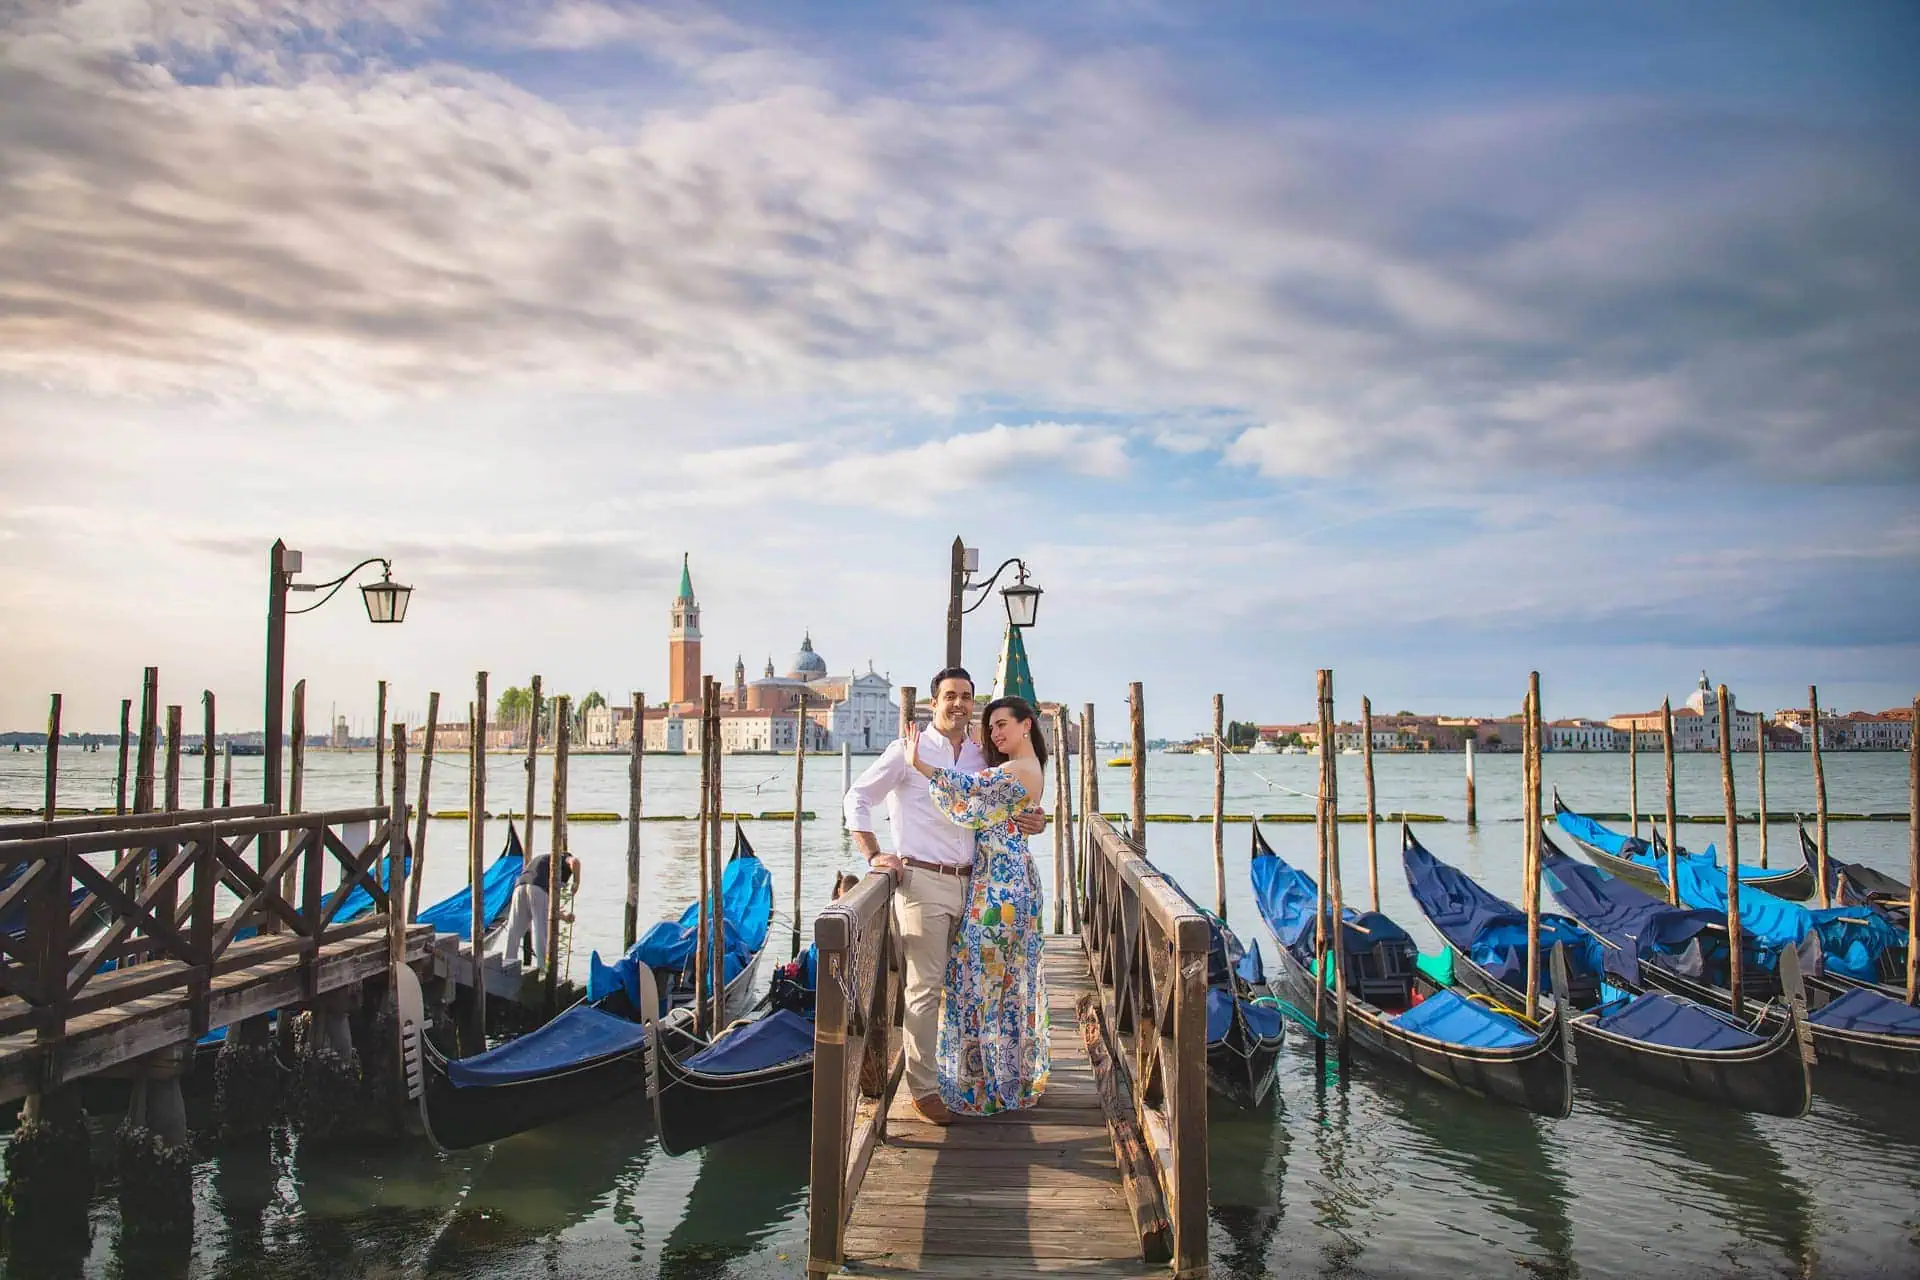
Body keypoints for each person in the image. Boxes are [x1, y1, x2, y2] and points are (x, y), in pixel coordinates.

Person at [844, 667, 1047, 1124]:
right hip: (923, 882)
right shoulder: (905, 752)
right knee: (924, 989)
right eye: (950, 696)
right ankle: (924, 1088)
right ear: (933, 703)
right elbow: (857, 797)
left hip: (977, 885)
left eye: (967, 697)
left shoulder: (982, 756)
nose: (959, 704)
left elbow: (1003, 802)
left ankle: (967, 1078)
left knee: (965, 990)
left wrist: (1038, 820)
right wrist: (875, 853)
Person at [905, 695, 1050, 1116]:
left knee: (982, 984)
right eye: (992, 727)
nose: (996, 733)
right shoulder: (1020, 768)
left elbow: (967, 794)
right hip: (999, 883)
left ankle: (987, 1085)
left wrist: (922, 765)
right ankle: (997, 1078)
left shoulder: (1018, 770)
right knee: (996, 986)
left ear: (1027, 725)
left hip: (1002, 891)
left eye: (1004, 724)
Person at [491, 847, 581, 967]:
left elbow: (547, 908)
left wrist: (564, 917)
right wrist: (576, 882)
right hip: (538, 888)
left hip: (520, 887)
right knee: (541, 931)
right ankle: (543, 969)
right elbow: (575, 862)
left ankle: (508, 966)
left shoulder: (544, 860)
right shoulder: (562, 859)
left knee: (514, 932)